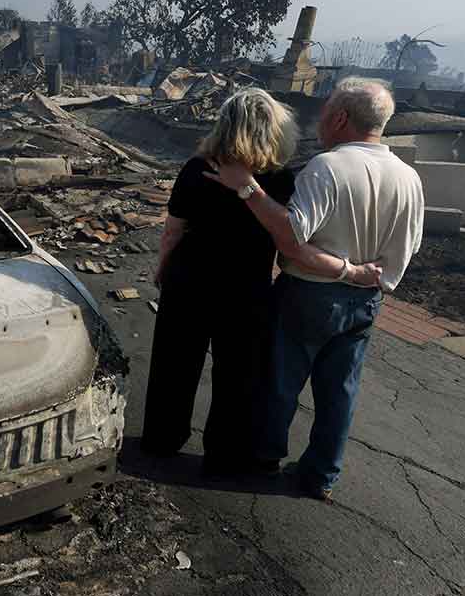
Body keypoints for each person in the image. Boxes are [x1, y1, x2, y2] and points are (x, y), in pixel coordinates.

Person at [205, 77, 424, 500]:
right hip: (366, 302)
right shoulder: (409, 178)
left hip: (308, 295)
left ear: (341, 118)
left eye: (325, 110)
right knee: (339, 393)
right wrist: (364, 277)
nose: (319, 118)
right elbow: (406, 250)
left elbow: (291, 238)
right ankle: (320, 475)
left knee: (280, 384)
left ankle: (264, 460)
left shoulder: (327, 167)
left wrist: (247, 188)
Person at [141, 88, 380, 474]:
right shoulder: (281, 181)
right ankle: (224, 451)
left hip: (190, 278)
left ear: (224, 123)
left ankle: (161, 439)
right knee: (238, 372)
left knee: (175, 363)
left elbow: (173, 230)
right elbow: (289, 235)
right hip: (246, 286)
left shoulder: (197, 167)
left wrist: (163, 268)